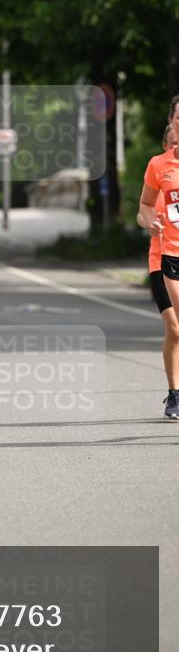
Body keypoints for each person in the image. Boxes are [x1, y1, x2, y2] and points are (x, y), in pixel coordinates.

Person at [138, 107, 179, 419]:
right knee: (175, 327)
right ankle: (174, 393)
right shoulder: (159, 166)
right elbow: (145, 208)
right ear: (171, 123)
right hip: (165, 255)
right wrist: (150, 222)